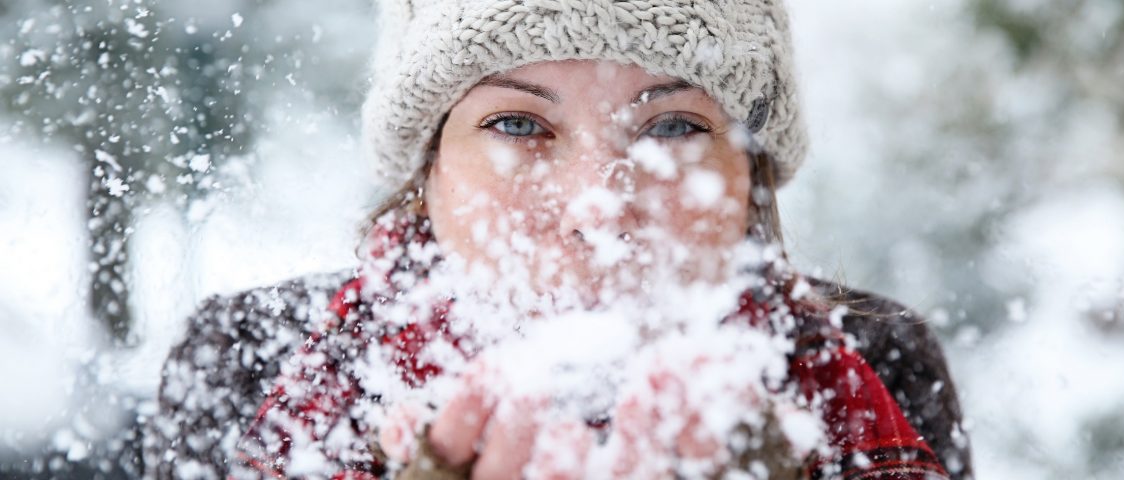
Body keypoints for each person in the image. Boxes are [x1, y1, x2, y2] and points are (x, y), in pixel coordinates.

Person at [143, 1, 972, 479]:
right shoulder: (251, 362)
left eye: (674, 125)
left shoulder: (880, 364)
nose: (599, 208)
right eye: (518, 123)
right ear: (428, 167)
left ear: (747, 177)